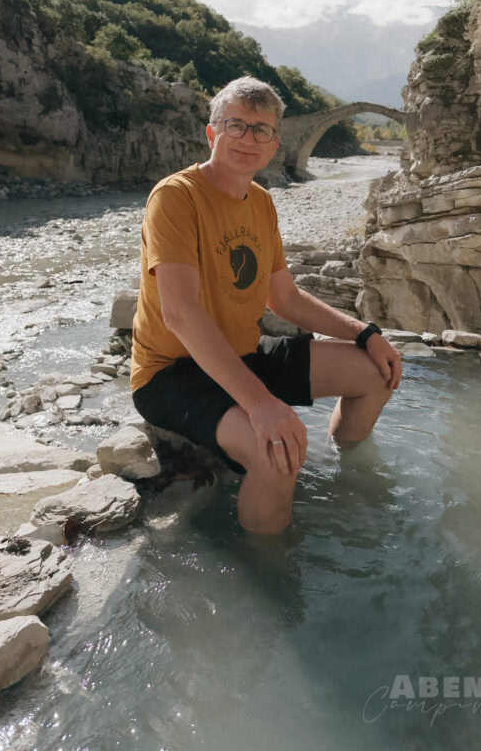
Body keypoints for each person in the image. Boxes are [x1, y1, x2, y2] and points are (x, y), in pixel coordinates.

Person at [130, 76, 401, 535]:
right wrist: (261, 405)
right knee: (275, 452)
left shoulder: (261, 203)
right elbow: (179, 313)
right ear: (212, 133)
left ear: (275, 144)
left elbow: (286, 298)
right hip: (169, 372)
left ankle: (348, 473)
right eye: (236, 125)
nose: (248, 139)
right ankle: (270, 571)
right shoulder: (176, 197)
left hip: (243, 354)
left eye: (261, 130)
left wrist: (365, 334)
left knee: (376, 373)